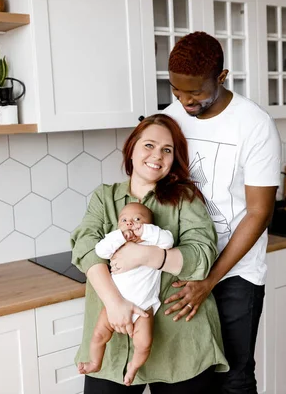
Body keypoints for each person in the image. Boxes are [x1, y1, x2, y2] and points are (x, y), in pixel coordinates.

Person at [71, 114, 228, 393]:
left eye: (167, 150)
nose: (157, 155)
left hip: (179, 339)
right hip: (113, 339)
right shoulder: (104, 197)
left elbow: (203, 254)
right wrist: (115, 305)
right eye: (149, 145)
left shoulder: (185, 198)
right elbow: (85, 249)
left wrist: (147, 256)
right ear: (131, 148)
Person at [160, 31, 282, 394]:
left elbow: (259, 213)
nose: (185, 101)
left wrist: (209, 281)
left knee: (234, 377)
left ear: (223, 77)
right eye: (177, 91)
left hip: (236, 275)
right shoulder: (169, 118)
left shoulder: (255, 125)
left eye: (195, 92)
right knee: (188, 376)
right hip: (182, 268)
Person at [78, 202, 174, 386]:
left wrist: (145, 232)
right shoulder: (115, 243)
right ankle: (95, 363)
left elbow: (168, 241)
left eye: (137, 219)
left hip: (143, 308)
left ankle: (133, 367)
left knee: (144, 343)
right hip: (114, 304)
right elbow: (100, 251)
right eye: (124, 220)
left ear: (149, 225)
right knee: (98, 336)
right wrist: (119, 236)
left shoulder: (153, 242)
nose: (130, 223)